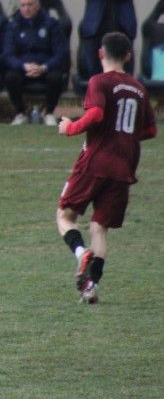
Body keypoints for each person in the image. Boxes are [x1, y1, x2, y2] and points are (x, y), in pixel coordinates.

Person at [55, 32, 156, 304]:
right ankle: (91, 287)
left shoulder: (99, 81)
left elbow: (97, 114)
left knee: (65, 216)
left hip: (96, 161)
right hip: (125, 165)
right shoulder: (139, 88)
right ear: (128, 56)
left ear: (101, 54)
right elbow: (149, 129)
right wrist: (124, 136)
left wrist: (70, 127)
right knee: (99, 228)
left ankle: (80, 254)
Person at [1, 0, 68, 126]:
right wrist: (23, 66)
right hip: (24, 68)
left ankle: (48, 113)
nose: (26, 8)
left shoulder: (51, 24)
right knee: (10, 77)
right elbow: (8, 55)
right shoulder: (13, 26)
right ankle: (20, 113)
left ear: (38, 6)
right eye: (23, 5)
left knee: (55, 77)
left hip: (45, 67)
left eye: (30, 5)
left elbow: (61, 53)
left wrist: (44, 67)